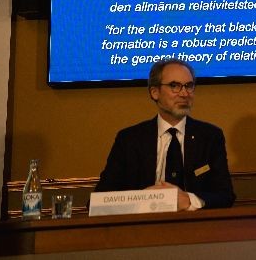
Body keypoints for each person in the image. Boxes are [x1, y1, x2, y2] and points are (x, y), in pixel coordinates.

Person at [95, 58, 236, 209]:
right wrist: (143, 199)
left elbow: (225, 196)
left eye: (189, 86)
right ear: (154, 92)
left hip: (194, 227)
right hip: (142, 229)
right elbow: (99, 199)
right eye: (174, 86)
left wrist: (188, 200)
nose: (184, 93)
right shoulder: (129, 139)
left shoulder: (210, 136)